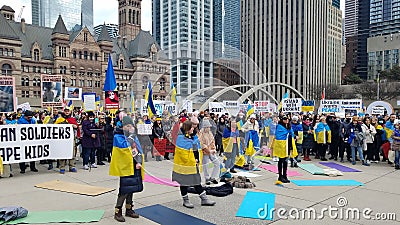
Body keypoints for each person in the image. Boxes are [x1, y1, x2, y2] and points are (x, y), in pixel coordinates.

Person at [172, 120, 216, 208]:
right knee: (183, 183)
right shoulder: (181, 138)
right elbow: (183, 155)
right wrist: (193, 160)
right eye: (192, 127)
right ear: (187, 128)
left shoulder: (194, 136)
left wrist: (198, 159)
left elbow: (198, 148)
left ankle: (204, 199)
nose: (193, 129)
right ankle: (186, 200)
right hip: (185, 166)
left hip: (194, 165)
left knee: (197, 182)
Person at [110, 116, 143, 222]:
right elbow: (125, 148)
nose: (130, 128)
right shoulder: (118, 136)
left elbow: (138, 148)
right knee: (124, 189)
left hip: (134, 165)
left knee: (132, 188)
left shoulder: (133, 136)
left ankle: (129, 209)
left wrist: (139, 161)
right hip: (125, 166)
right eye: (127, 126)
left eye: (131, 126)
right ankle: (117, 211)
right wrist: (131, 138)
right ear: (123, 126)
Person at [271, 115, 297, 183]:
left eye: (287, 119)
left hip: (288, 144)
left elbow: (292, 133)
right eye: (285, 119)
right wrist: (288, 133)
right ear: (282, 120)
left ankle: (285, 175)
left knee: (286, 160)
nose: (286, 120)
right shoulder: (279, 126)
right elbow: (278, 135)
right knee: (281, 160)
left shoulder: (289, 126)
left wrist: (293, 135)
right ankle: (280, 176)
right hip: (281, 145)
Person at [54, 106, 78, 174]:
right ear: (64, 111)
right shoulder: (60, 119)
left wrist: (74, 126)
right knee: (62, 152)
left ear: (70, 112)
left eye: (68, 111)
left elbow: (76, 127)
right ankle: (62, 167)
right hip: (62, 139)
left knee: (72, 152)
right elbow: (55, 127)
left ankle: (72, 166)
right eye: (65, 111)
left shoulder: (72, 119)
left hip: (71, 138)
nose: (67, 112)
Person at [198, 119, 220, 185]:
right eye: (207, 127)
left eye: (209, 127)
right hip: (205, 152)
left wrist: (214, 149)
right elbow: (201, 144)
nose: (208, 128)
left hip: (211, 151)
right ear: (204, 127)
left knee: (217, 163)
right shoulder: (201, 134)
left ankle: (213, 177)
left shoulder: (210, 133)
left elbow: (213, 141)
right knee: (206, 165)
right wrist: (208, 150)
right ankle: (207, 178)